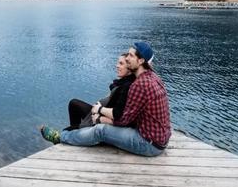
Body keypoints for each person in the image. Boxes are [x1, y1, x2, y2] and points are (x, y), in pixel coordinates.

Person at [40, 41, 171, 157]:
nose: (128, 58)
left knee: (100, 130)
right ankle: (72, 135)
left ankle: (60, 137)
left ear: (141, 61)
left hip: (148, 144)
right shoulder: (153, 77)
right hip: (160, 139)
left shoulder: (140, 84)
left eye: (131, 56)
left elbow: (122, 121)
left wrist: (100, 117)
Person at [65, 53, 136, 131]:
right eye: (118, 63)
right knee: (74, 104)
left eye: (121, 63)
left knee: (67, 131)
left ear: (129, 68)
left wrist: (99, 111)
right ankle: (77, 132)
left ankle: (74, 133)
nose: (117, 66)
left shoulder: (125, 87)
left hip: (102, 119)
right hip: (100, 112)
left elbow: (117, 114)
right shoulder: (120, 84)